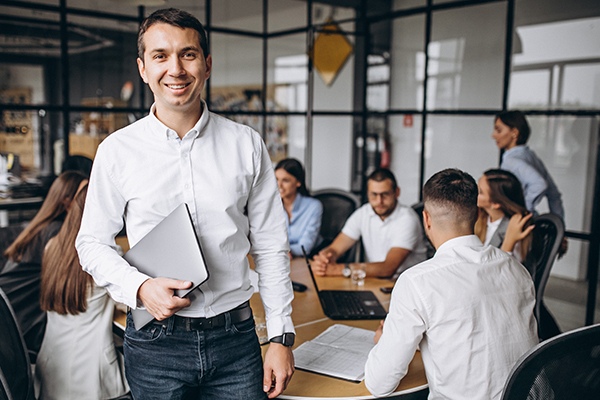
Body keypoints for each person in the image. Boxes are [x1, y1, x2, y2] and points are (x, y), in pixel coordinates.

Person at [75, 8, 294, 400]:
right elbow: (90, 243)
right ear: (143, 69)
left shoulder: (246, 144)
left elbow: (271, 245)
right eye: (160, 56)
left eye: (188, 54)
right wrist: (140, 287)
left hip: (237, 341)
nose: (175, 68)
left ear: (207, 64)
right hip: (156, 342)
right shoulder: (116, 151)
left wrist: (280, 335)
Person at [364, 168, 538, 399]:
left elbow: (379, 384)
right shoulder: (517, 269)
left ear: (426, 219)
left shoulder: (417, 281)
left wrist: (384, 341)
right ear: (476, 215)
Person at [37, 185, 129, 399]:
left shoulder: (52, 246)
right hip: (91, 374)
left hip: (51, 368)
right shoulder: (107, 255)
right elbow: (128, 300)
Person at [0, 170, 87, 359]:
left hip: (12, 319)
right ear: (66, 201)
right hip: (26, 324)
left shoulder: (40, 226)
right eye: (84, 195)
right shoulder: (56, 234)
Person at [312, 168, 427, 279]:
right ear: (368, 193)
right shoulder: (363, 213)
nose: (379, 201)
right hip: (375, 282)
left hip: (404, 286)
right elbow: (336, 248)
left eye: (385, 194)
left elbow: (388, 268)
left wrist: (337, 270)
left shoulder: (408, 219)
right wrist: (325, 258)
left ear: (397, 192)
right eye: (374, 194)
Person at [493, 110, 565, 220]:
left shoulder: (511, 160)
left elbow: (539, 184)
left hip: (514, 222)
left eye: (498, 130)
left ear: (514, 132)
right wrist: (558, 226)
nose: (493, 135)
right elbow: (554, 195)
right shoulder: (531, 157)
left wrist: (523, 210)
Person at [475, 168, 534, 262]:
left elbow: (504, 270)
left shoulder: (515, 226)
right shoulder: (479, 218)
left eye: (480, 192)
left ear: (495, 203)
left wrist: (508, 243)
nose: (473, 192)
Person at [275, 158, 322, 257]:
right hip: (281, 258)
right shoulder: (271, 207)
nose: (279, 185)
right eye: (276, 179)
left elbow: (305, 247)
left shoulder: (313, 207)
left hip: (309, 259)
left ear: (298, 182)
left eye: (285, 180)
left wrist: (281, 250)